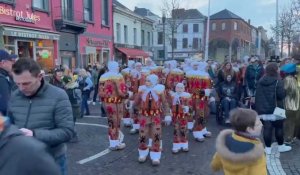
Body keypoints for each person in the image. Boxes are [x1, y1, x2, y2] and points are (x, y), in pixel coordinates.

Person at [8, 58, 74, 175]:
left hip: (51, 160)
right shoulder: (15, 95)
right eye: (17, 83)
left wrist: (34, 134)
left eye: (26, 83)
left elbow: (67, 131)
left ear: (39, 76)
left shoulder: (58, 95)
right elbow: (10, 124)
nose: (21, 88)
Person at [211, 108, 267, 175]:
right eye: (258, 124)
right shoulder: (255, 152)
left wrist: (215, 167)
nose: (262, 125)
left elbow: (216, 162)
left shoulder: (226, 141)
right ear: (249, 129)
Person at [132, 74, 171, 165]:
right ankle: (142, 153)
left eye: (149, 81)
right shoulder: (142, 90)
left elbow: (165, 103)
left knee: (156, 135)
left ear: (154, 81)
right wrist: (132, 109)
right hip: (144, 117)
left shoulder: (159, 91)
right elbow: (136, 102)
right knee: (142, 135)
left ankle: (155, 155)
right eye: (146, 80)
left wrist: (167, 114)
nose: (146, 82)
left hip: (156, 116)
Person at [255, 63, 291, 154]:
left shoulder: (261, 81)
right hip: (276, 109)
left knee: (267, 128)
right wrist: (285, 91)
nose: (279, 70)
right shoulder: (278, 81)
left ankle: (267, 149)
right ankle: (281, 146)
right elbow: (281, 95)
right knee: (279, 128)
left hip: (263, 109)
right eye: (278, 68)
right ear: (275, 70)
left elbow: (258, 96)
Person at [99, 61, 129, 150]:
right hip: (117, 103)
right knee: (118, 122)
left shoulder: (102, 77)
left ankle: (112, 143)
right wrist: (127, 95)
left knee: (111, 122)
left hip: (107, 102)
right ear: (116, 67)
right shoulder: (118, 76)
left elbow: (100, 92)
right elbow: (121, 91)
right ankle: (117, 142)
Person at [168, 83, 192, 153]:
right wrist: (169, 112)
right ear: (175, 88)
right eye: (178, 88)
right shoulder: (173, 96)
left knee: (183, 129)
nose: (179, 89)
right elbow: (169, 104)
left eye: (181, 88)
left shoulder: (186, 96)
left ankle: (184, 144)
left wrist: (187, 108)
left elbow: (190, 105)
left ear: (184, 89)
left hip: (183, 116)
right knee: (176, 130)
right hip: (175, 116)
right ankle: (176, 145)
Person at [281, 63, 300, 144]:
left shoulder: (288, 79)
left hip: (290, 104)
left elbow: (288, 91)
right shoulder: (292, 79)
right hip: (293, 104)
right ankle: (290, 138)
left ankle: (289, 138)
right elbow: (294, 92)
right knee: (291, 122)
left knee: (290, 122)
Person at [62, 75, 82, 142]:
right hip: (75, 108)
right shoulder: (74, 88)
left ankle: (74, 137)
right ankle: (72, 136)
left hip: (72, 108)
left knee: (71, 123)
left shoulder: (70, 90)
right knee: (71, 123)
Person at [0, 49, 16, 115]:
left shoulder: (6, 76)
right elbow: (5, 105)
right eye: (11, 61)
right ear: (3, 63)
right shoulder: (2, 79)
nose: (12, 63)